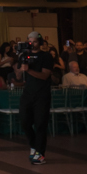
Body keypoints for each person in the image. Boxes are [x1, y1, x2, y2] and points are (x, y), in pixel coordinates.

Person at [18, 31, 54, 165]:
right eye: (30, 41)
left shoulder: (46, 56)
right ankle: (34, 146)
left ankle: (40, 154)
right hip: (27, 94)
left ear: (40, 42)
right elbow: (18, 75)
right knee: (24, 122)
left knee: (40, 124)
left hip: (42, 94)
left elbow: (44, 76)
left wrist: (28, 70)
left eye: (35, 41)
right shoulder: (23, 55)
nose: (32, 44)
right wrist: (20, 65)